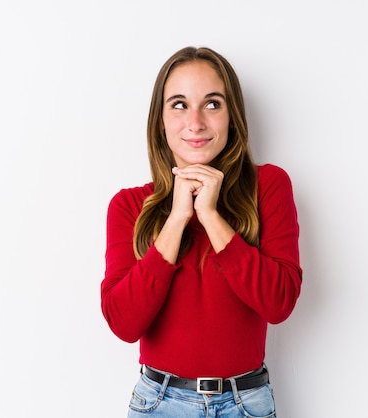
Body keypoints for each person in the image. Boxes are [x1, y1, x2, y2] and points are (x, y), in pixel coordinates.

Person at [101, 46, 302, 417]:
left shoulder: (268, 186)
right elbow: (124, 323)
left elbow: (279, 302)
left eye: (212, 104)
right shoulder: (129, 206)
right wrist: (177, 218)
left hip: (247, 404)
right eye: (179, 104)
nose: (195, 122)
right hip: (158, 403)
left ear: (232, 117)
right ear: (160, 120)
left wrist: (209, 214)